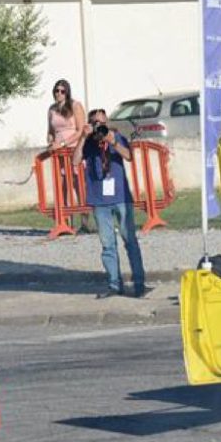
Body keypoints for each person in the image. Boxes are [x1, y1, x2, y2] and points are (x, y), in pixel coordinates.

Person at [73, 108, 148, 299]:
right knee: (108, 245)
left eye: (103, 123)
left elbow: (129, 156)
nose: (101, 127)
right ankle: (115, 284)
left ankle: (139, 283)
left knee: (130, 240)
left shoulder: (115, 137)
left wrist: (111, 140)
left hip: (121, 197)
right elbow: (75, 160)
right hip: (99, 200)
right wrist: (83, 137)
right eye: (96, 123)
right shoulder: (88, 144)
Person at [47, 79, 86, 152]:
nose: (59, 93)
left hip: (73, 149)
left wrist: (62, 144)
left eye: (62, 91)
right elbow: (50, 132)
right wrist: (51, 143)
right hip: (58, 150)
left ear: (67, 93)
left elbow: (80, 131)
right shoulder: (52, 109)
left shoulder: (75, 105)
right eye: (57, 90)